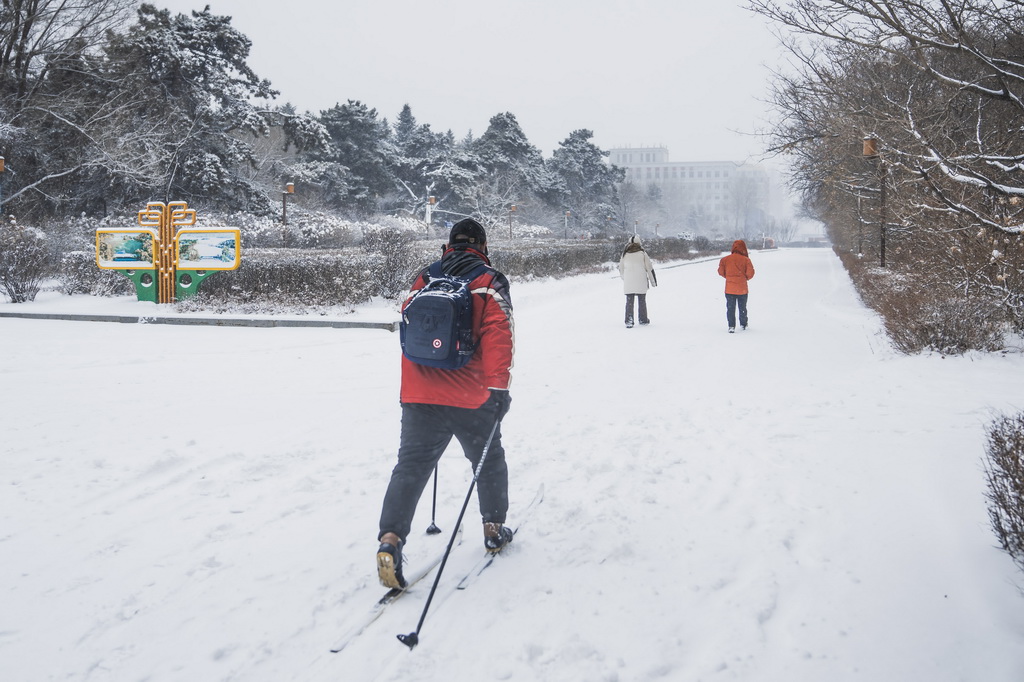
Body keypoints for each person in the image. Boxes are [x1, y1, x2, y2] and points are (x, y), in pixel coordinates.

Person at [376, 218, 515, 589]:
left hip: (419, 394)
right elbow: (498, 335)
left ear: (448, 245)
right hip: (471, 396)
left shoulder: (425, 278)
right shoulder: (489, 281)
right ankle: (493, 527)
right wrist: (498, 388)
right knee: (487, 460)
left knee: (410, 468)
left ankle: (390, 539)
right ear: (483, 246)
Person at [618, 234, 657, 328]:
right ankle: (643, 319)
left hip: (629, 282)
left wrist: (625, 278)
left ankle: (629, 320)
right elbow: (649, 268)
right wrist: (653, 282)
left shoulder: (625, 254)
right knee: (642, 300)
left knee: (629, 301)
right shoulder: (642, 253)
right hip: (641, 281)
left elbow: (621, 268)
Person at [718, 239, 755, 333]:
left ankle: (731, 326)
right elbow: (750, 273)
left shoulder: (725, 259)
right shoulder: (746, 260)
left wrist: (729, 277)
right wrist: (744, 278)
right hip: (742, 288)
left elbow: (720, 272)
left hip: (729, 289)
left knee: (730, 308)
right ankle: (743, 324)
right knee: (742, 307)